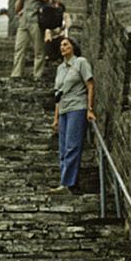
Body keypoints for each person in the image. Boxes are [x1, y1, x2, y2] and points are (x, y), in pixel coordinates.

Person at [50, 38, 96, 195]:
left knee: (72, 146)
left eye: (66, 44)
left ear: (73, 47)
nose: (62, 48)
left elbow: (90, 85)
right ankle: (67, 182)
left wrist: (90, 109)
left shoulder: (81, 62)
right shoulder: (60, 68)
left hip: (77, 107)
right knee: (63, 148)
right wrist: (55, 119)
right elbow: (58, 95)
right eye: (61, 45)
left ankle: (67, 183)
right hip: (63, 109)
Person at [11, 0, 52, 80]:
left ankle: (37, 75)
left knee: (39, 50)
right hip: (24, 22)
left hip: (36, 22)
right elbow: (17, 9)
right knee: (19, 49)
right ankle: (16, 74)